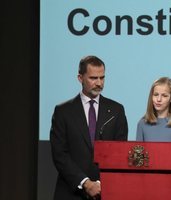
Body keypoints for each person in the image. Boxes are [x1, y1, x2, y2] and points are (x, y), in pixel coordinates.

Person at [50, 55, 128, 200]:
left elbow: (119, 152)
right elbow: (59, 154)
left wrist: (99, 183)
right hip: (70, 192)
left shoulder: (116, 110)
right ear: (80, 78)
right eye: (93, 78)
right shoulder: (63, 111)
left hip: (106, 192)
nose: (99, 83)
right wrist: (85, 183)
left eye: (102, 78)